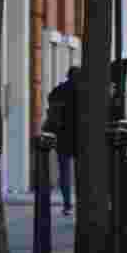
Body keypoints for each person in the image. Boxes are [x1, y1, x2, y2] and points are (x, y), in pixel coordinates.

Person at [43, 66, 80, 211]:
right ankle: (81, 200)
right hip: (80, 136)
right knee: (81, 171)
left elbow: (51, 105)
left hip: (62, 134)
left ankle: (67, 203)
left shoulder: (58, 90)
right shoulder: (84, 91)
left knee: (64, 170)